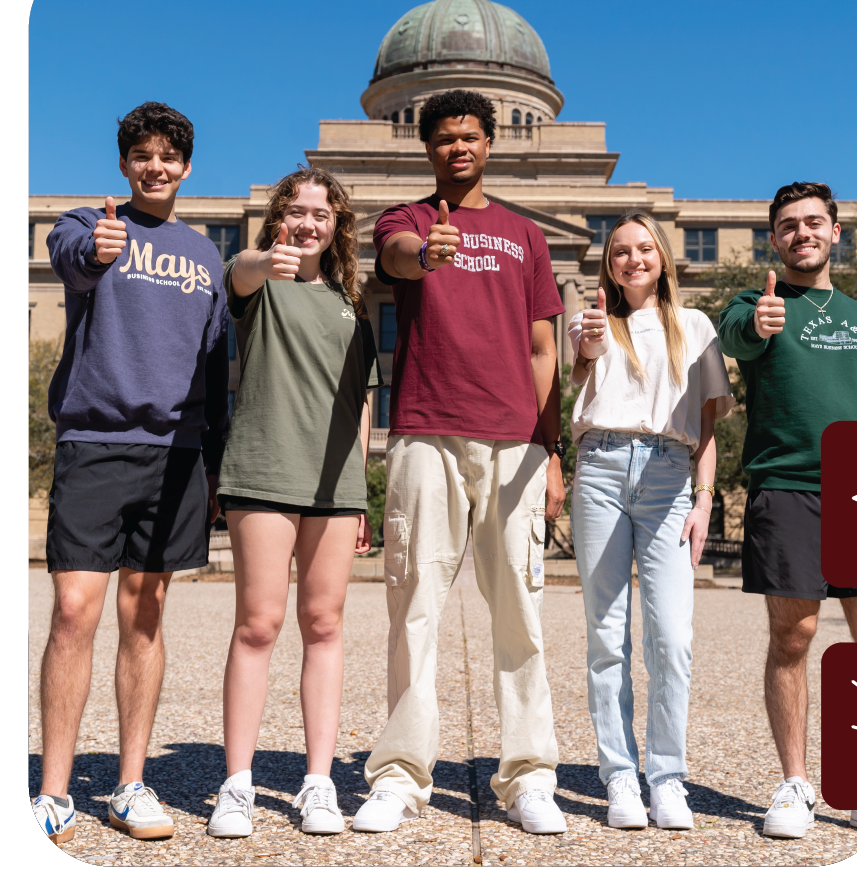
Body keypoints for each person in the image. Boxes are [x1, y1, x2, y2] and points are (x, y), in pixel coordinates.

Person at [352, 89, 568, 836]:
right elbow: (394, 258)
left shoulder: (525, 235)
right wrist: (426, 252)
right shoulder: (407, 220)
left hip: (515, 444)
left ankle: (531, 776)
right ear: (428, 148)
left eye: (470, 136)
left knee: (521, 615)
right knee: (414, 606)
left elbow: (546, 351)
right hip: (425, 431)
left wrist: (551, 448)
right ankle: (401, 777)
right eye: (444, 139)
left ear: (490, 141)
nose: (458, 149)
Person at [33, 102, 229, 843]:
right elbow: (72, 258)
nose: (155, 166)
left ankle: (129, 783)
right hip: (96, 442)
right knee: (75, 613)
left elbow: (215, 369)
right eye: (141, 155)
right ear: (124, 165)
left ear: (185, 167)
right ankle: (54, 788)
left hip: (176, 454)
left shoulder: (206, 256)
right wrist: (100, 252)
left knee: (143, 620)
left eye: (168, 156)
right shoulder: (88, 223)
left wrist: (214, 463)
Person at [205, 167, 382, 838]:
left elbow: (362, 403)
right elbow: (238, 274)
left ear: (338, 227)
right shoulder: (262, 285)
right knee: (258, 624)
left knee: (324, 626)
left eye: (321, 214)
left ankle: (318, 783)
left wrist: (361, 490)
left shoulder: (350, 304)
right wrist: (263, 258)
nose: (309, 222)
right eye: (298, 210)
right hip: (261, 472)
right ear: (281, 217)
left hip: (333, 486)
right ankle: (237, 784)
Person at [717, 181, 857, 839]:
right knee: (794, 636)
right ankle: (794, 784)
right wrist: (760, 325)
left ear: (835, 231)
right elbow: (737, 337)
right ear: (774, 238)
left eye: (814, 222)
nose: (802, 233)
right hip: (787, 487)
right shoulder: (754, 303)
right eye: (789, 225)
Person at [568, 213, 734, 830]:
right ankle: (619, 778)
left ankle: (666, 778)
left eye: (643, 249)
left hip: (669, 471)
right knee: (607, 637)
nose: (632, 260)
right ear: (607, 264)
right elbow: (577, 380)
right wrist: (584, 348)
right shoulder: (592, 324)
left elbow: (710, 422)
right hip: (601, 466)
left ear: (662, 257)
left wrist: (705, 496)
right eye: (619, 252)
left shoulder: (694, 326)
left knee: (672, 637)